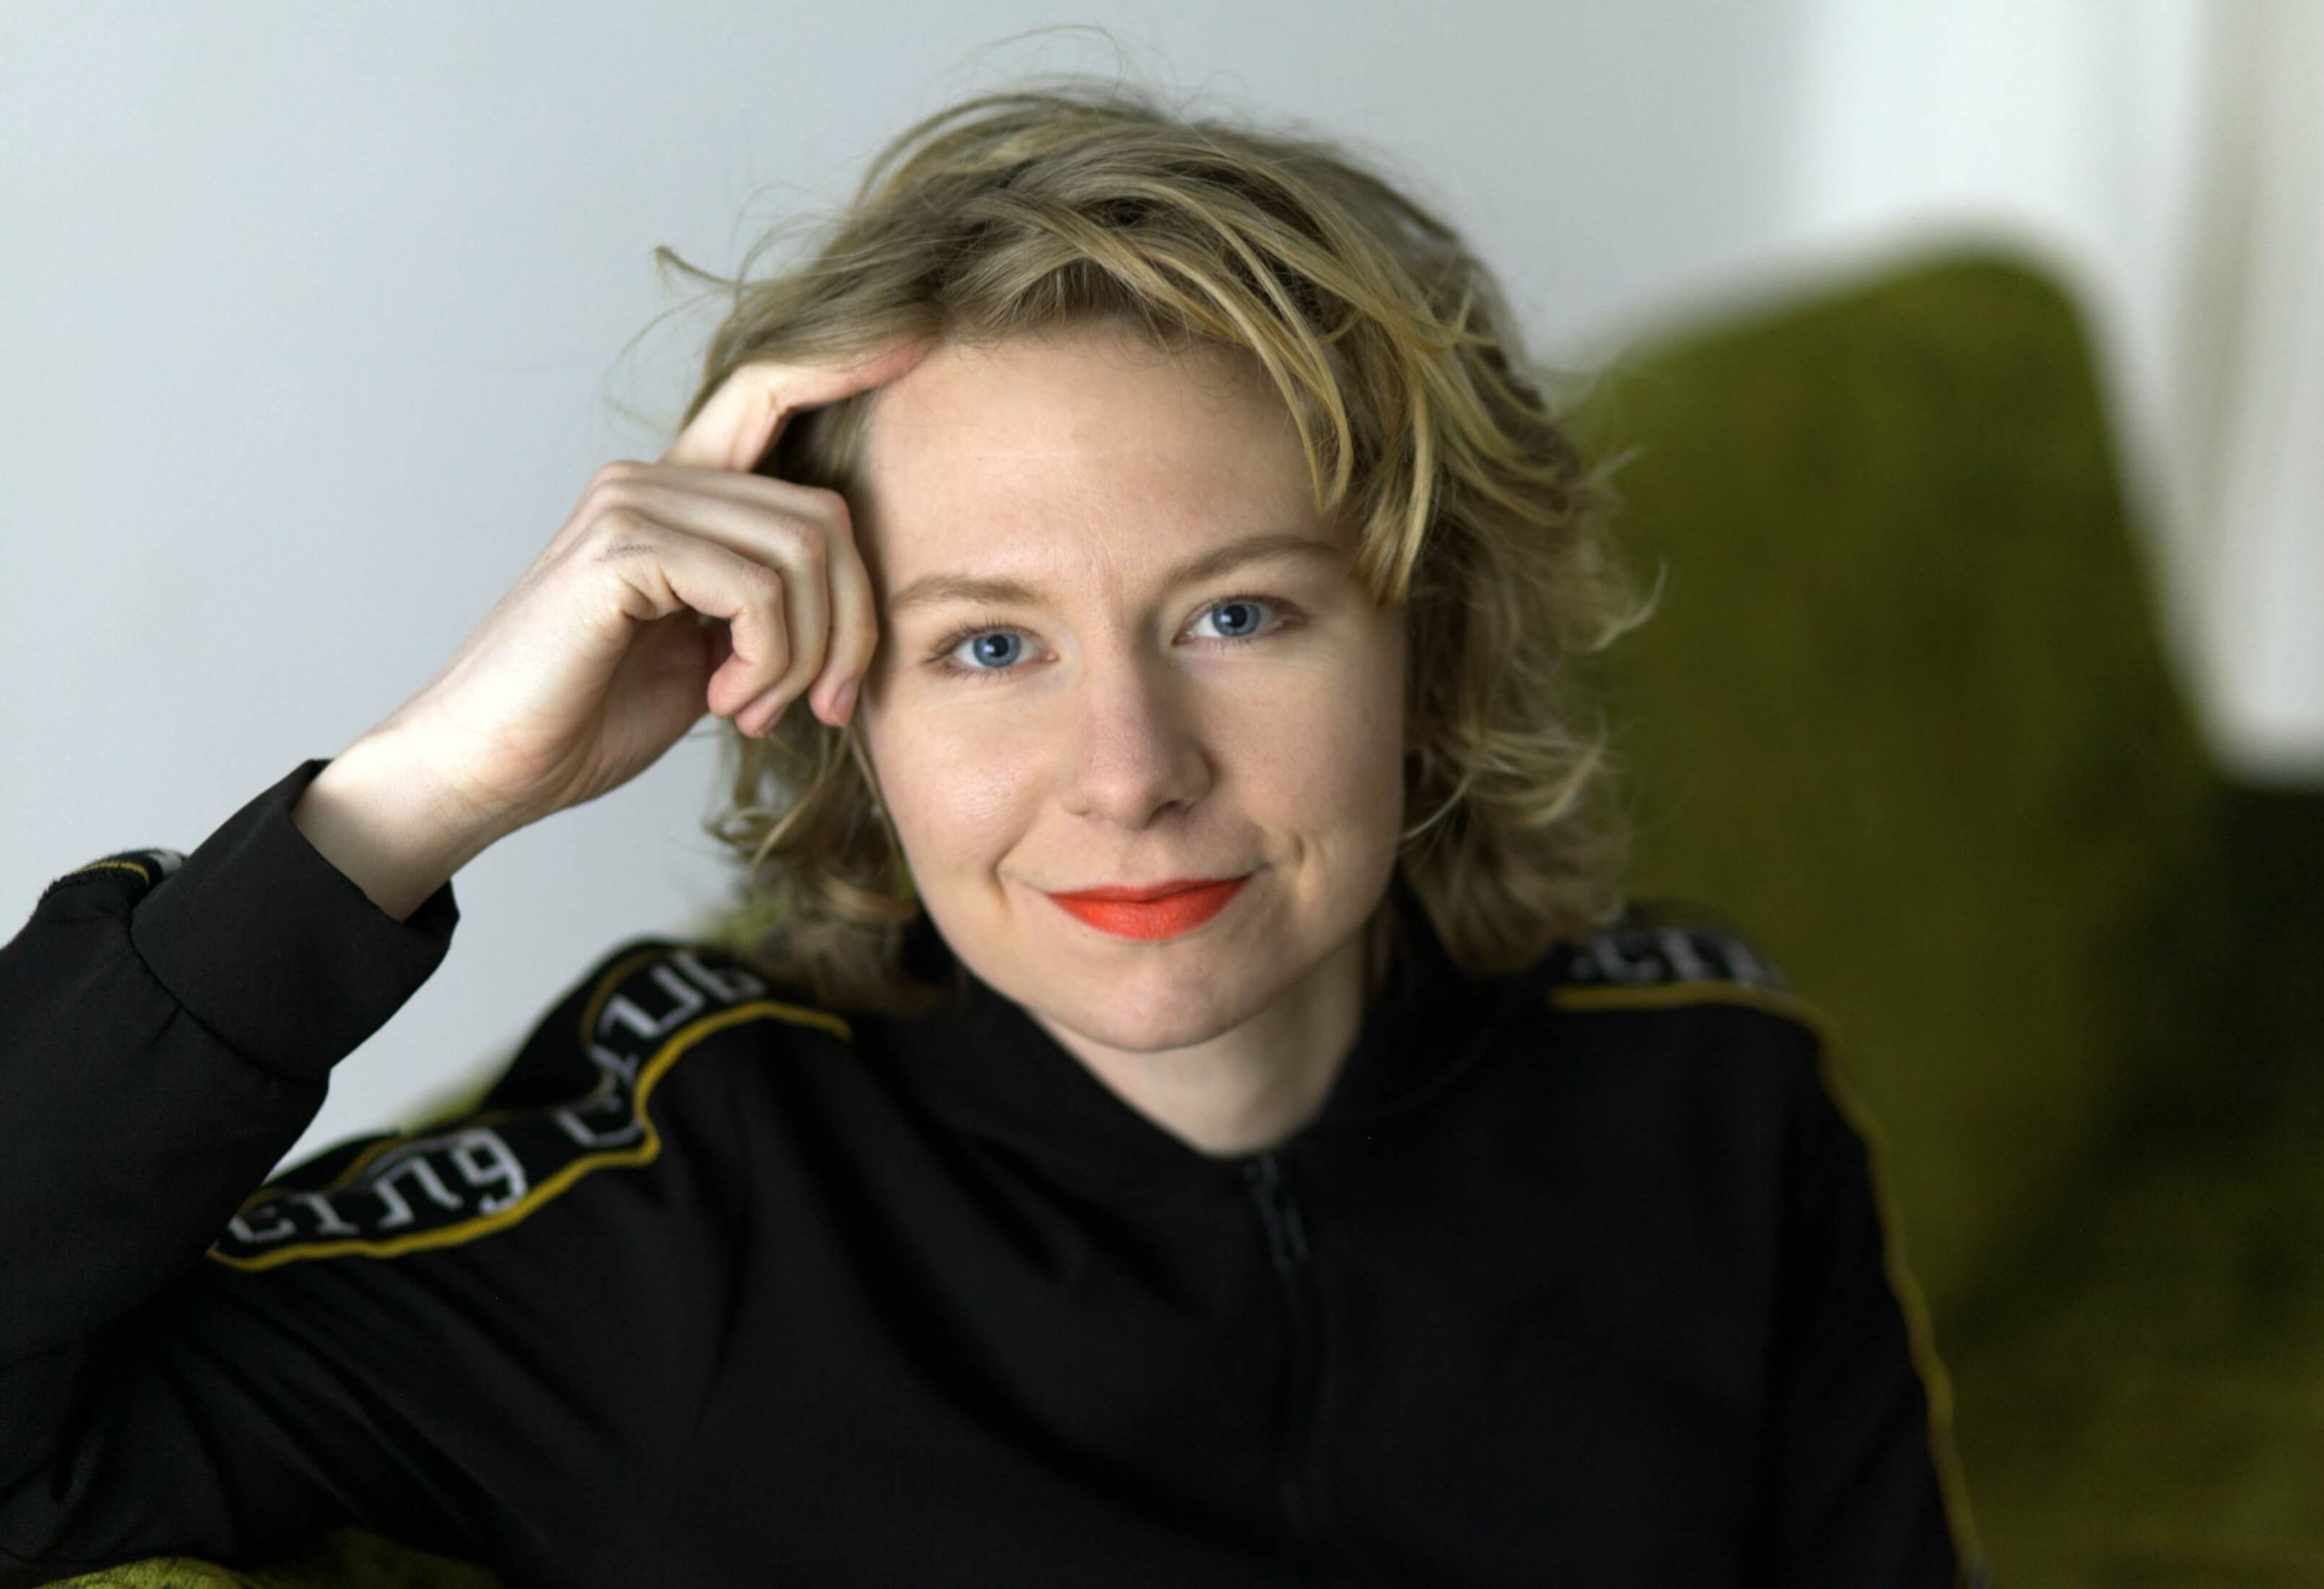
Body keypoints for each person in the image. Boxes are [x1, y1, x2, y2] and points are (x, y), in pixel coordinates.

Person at [0, 80, 1989, 1587]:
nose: (1129, 771)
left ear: (1432, 641)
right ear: (841, 698)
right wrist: (420, 793)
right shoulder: (666, 1213)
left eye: (1238, 615)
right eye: (988, 644)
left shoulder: (1707, 1085)